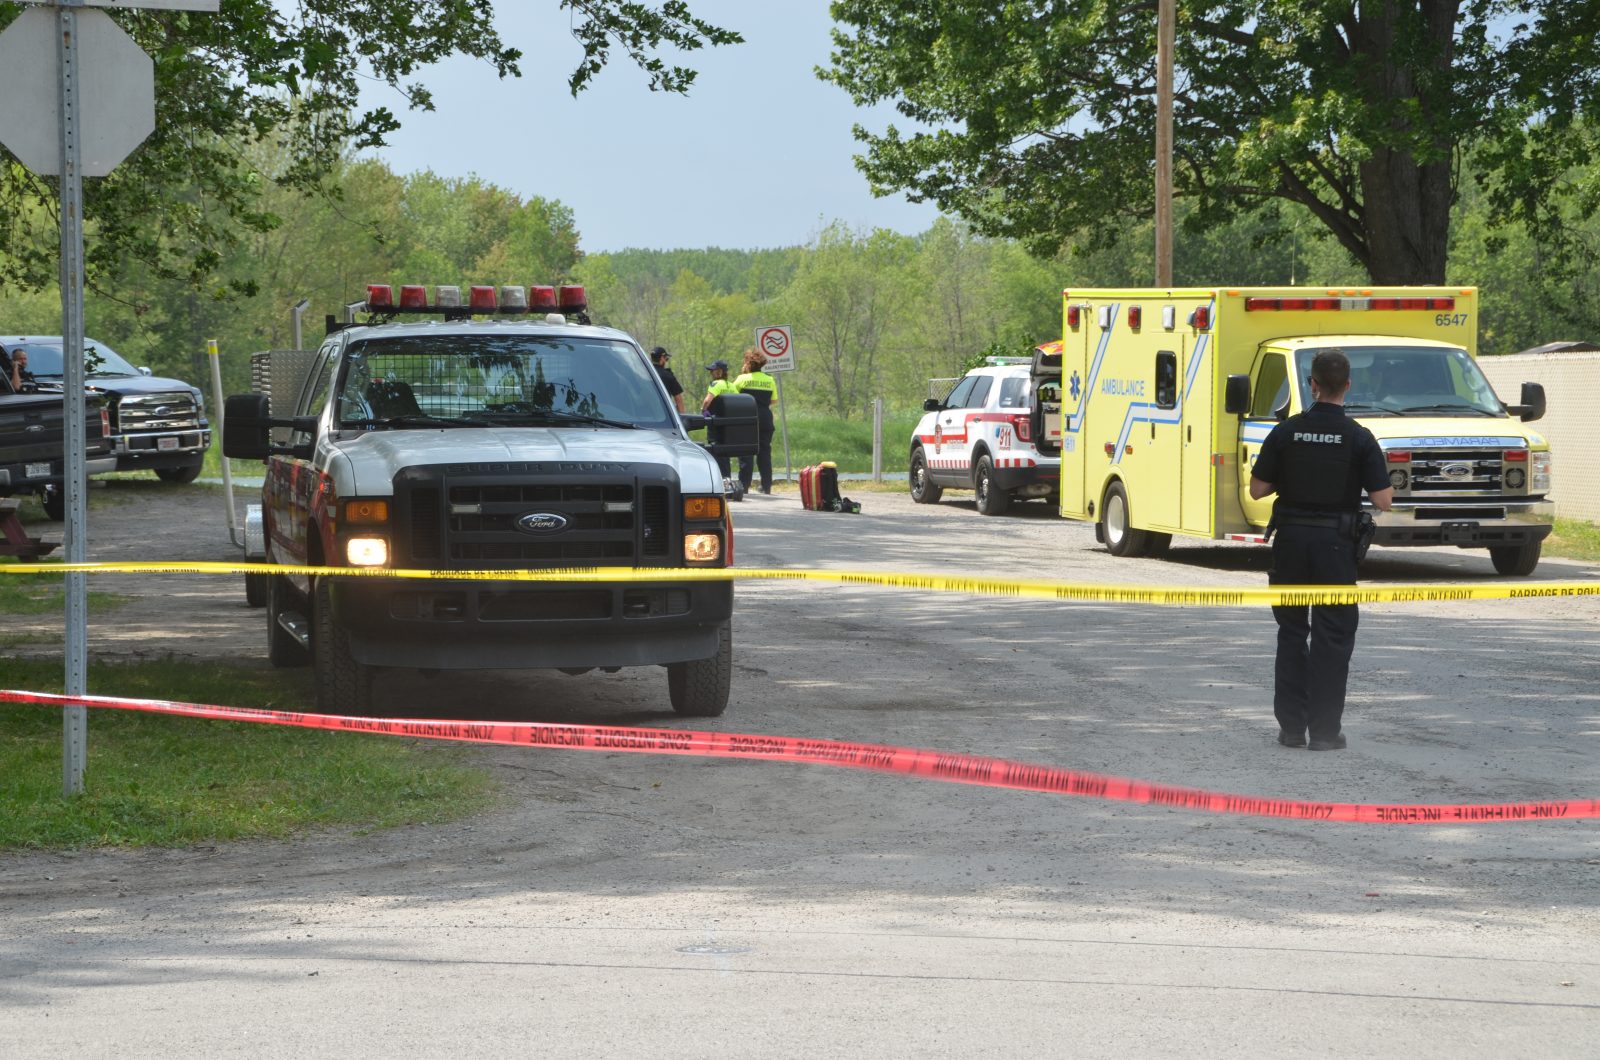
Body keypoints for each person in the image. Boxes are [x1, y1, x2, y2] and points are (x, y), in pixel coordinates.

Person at [1249, 348, 1393, 752]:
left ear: (1312, 384)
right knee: (1333, 637)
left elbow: (1258, 489)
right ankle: (1325, 733)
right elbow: (1383, 501)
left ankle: (1292, 729)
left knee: (1292, 632)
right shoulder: (1359, 437)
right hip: (1335, 547)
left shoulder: (1285, 432)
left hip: (1292, 543)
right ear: (1348, 385)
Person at [732, 347, 777, 494]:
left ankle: (744, 486)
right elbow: (773, 400)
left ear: (747, 363)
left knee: (746, 452)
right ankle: (766, 486)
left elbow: (731, 397)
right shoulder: (769, 380)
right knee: (764, 452)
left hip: (747, 418)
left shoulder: (741, 379)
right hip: (765, 418)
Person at [702, 359, 737, 479]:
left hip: (715, 423)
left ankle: (718, 480)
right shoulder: (732, 386)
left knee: (715, 450)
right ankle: (727, 478)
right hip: (728, 425)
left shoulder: (716, 384)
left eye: (713, 371)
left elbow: (707, 401)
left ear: (720, 372)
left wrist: (704, 411)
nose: (711, 373)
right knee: (725, 453)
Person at [650, 346, 685, 413]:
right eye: (666, 359)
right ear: (662, 358)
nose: (666, 361)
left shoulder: (643, 373)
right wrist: (682, 419)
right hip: (664, 416)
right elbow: (679, 400)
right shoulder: (668, 376)